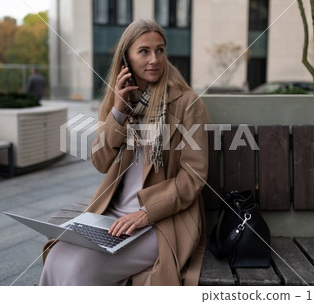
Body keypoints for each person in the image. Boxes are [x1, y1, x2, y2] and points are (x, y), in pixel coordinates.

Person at [39, 19, 209, 286]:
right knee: (57, 255)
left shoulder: (187, 103)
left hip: (162, 220)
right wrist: (118, 112)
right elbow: (101, 161)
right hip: (114, 215)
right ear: (126, 58)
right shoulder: (120, 100)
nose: (155, 59)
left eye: (160, 50)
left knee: (79, 268)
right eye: (144, 51)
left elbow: (193, 177)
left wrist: (146, 213)